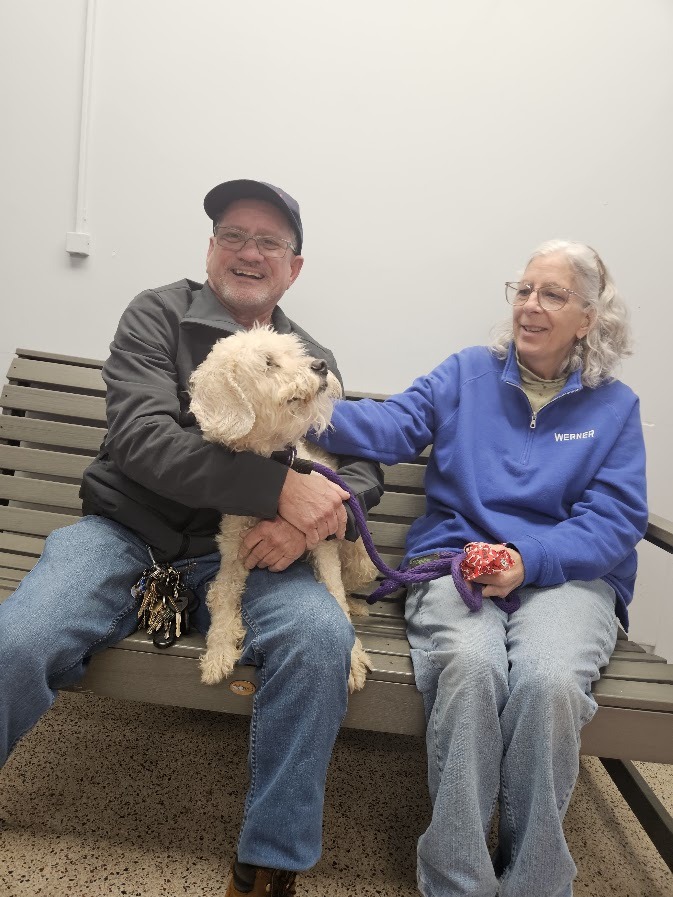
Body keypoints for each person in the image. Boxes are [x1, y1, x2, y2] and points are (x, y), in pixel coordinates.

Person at [0, 179, 383, 897]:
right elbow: (143, 440)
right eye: (233, 236)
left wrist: (322, 510)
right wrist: (277, 489)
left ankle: (270, 860)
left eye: (268, 242)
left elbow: (356, 463)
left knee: (318, 640)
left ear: (293, 267)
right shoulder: (155, 315)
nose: (248, 252)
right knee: (20, 637)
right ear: (210, 250)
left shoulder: (310, 354)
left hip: (246, 551)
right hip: (125, 531)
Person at [310, 240, 648, 897]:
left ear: (588, 317)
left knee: (548, 682)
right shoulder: (466, 373)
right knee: (470, 667)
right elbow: (390, 425)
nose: (529, 305)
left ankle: (533, 882)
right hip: (453, 559)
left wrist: (530, 560)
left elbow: (613, 520)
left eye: (550, 294)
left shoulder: (614, 407)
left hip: (564, 574)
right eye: (522, 289)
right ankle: (456, 880)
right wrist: (298, 408)